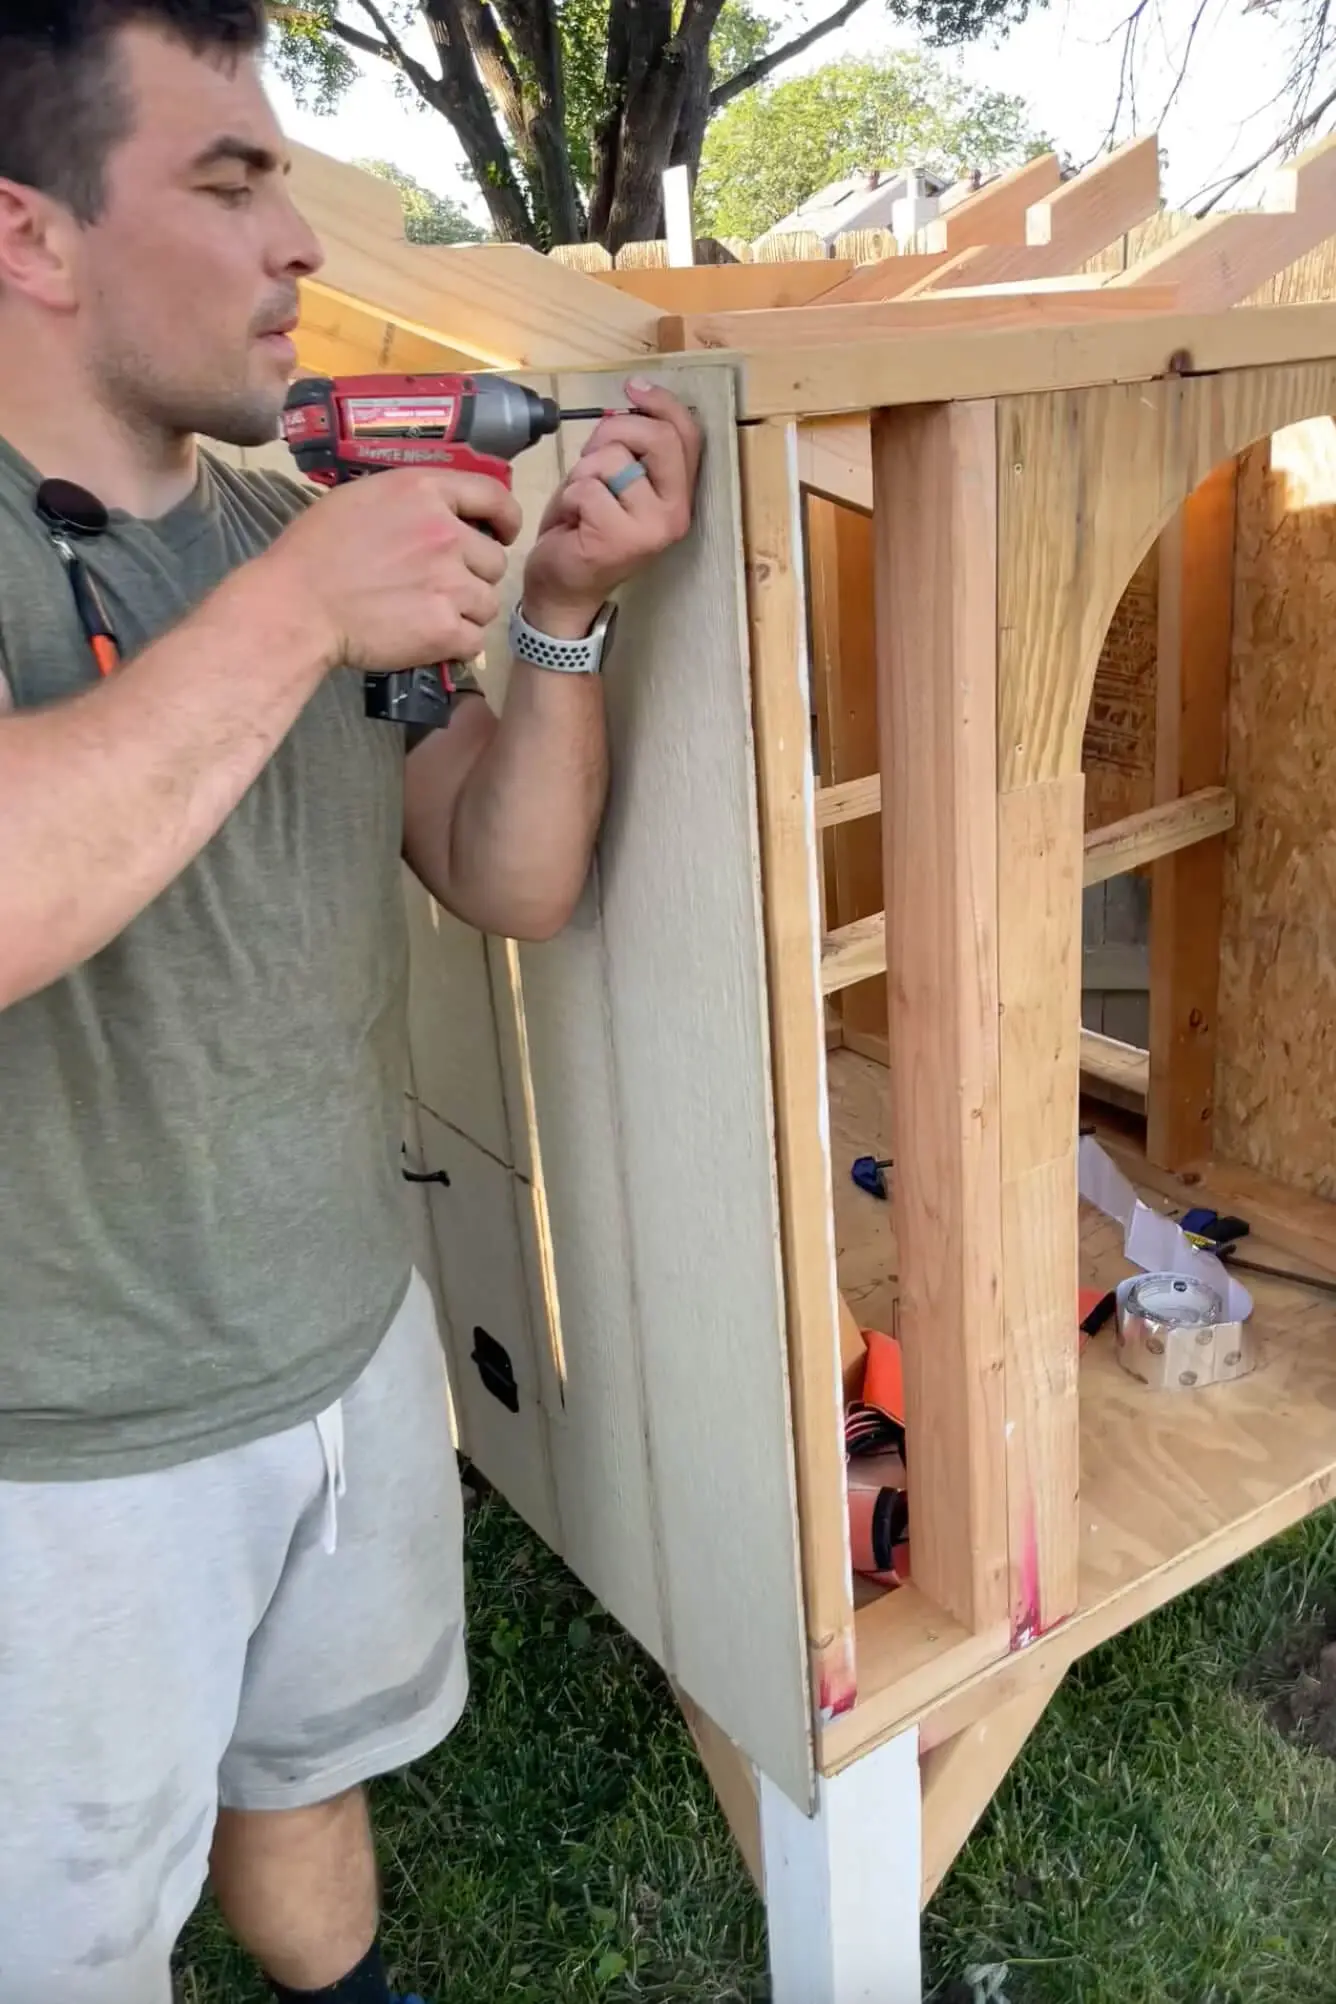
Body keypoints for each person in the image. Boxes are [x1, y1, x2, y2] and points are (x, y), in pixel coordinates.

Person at [0, 4, 702, 2000]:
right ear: (33, 239)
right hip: (54, 1456)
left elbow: (498, 868)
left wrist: (553, 618)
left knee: (308, 1779)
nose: (296, 241)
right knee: (64, 1937)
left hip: (336, 1346)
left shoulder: (269, 538)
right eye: (229, 182)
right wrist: (300, 610)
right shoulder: (277, 579)